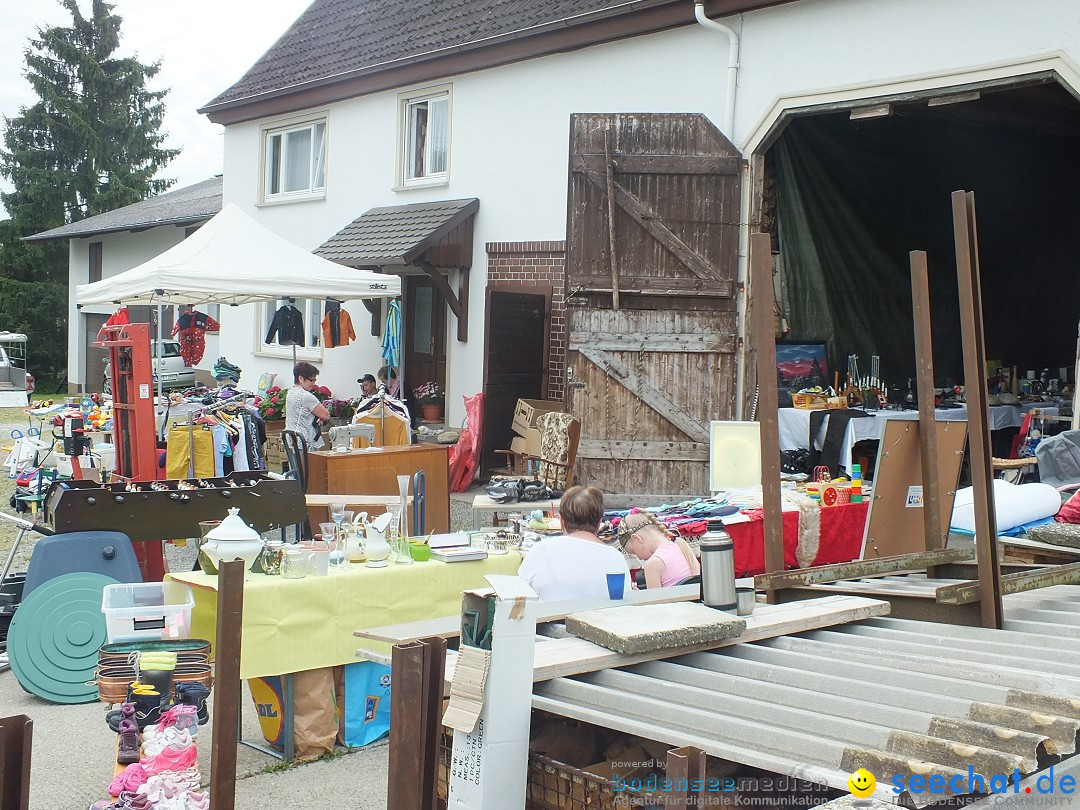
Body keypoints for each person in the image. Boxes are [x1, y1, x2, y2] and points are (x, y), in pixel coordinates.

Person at [518, 485, 631, 601]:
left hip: (549, 617)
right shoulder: (616, 557)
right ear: (599, 523)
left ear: (561, 521)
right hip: (601, 617)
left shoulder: (541, 550)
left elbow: (517, 595)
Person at [617, 509, 700, 589]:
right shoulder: (680, 545)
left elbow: (655, 602)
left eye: (634, 552)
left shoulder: (653, 563)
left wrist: (638, 594)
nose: (638, 558)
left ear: (637, 538)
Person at [285, 361, 330, 450]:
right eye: (311, 380)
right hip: (305, 442)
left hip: (291, 440)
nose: (313, 384)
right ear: (301, 378)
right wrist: (319, 417)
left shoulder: (290, 392)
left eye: (315, 380)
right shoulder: (305, 396)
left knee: (295, 464)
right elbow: (326, 415)